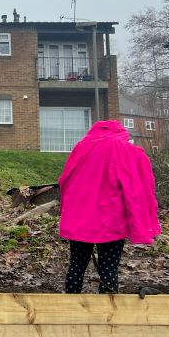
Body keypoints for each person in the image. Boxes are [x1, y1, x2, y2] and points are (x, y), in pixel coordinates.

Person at [59, 119, 161, 293]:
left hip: (79, 218)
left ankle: (71, 308)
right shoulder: (127, 151)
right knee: (109, 268)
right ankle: (108, 313)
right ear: (120, 132)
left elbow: (64, 180)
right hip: (111, 220)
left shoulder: (81, 148)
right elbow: (136, 189)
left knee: (76, 265)